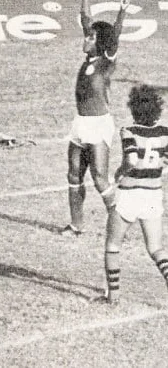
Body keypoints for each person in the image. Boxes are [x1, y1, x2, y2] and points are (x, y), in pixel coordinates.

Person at [63, 0, 129, 236]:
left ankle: (119, 222)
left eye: (90, 37)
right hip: (80, 123)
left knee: (100, 177)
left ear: (99, 42)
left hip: (98, 125)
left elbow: (115, 35)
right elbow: (85, 17)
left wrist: (122, 12)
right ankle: (76, 225)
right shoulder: (90, 57)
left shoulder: (105, 62)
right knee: (73, 175)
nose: (85, 38)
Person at [93, 85, 168, 304]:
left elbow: (132, 160)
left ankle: (113, 296)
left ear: (134, 109)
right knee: (156, 248)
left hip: (129, 194)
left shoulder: (129, 131)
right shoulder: (165, 133)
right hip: (153, 194)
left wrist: (119, 172)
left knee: (113, 245)